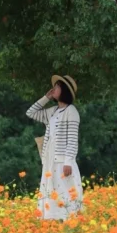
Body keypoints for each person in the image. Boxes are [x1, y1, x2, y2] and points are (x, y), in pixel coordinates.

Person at [26, 75, 83, 220]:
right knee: (50, 190)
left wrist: (68, 162)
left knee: (65, 191)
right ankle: (51, 221)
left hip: (62, 161)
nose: (54, 89)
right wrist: (46, 97)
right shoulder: (52, 111)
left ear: (64, 90)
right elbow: (30, 112)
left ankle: (69, 220)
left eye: (57, 87)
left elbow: (72, 139)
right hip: (49, 160)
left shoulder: (71, 111)